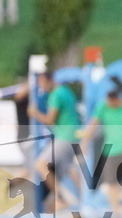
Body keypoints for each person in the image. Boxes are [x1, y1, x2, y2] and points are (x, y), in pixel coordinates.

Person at [79, 88, 122, 218]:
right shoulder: (103, 106)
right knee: (111, 182)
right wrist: (84, 143)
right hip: (110, 148)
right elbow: (92, 126)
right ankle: (117, 213)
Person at [28, 71, 82, 209]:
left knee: (40, 164)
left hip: (65, 136)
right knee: (69, 170)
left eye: (43, 84)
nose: (42, 87)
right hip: (73, 135)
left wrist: (35, 113)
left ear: (50, 80)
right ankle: (82, 200)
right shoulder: (66, 91)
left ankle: (62, 197)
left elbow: (50, 119)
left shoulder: (56, 95)